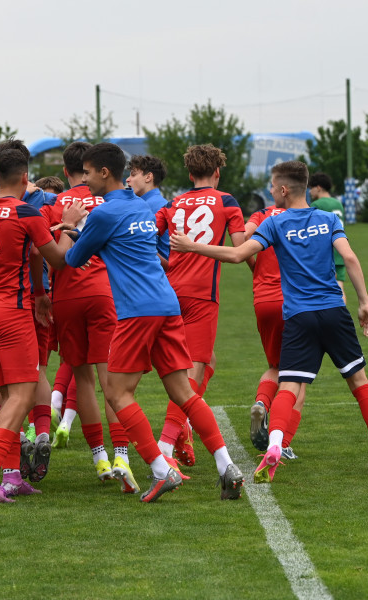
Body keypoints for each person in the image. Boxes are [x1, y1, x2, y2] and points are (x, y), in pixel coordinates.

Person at [171, 160, 368, 481]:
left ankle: (274, 445)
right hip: (333, 310)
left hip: (299, 316)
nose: (271, 191)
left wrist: (192, 245)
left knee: (287, 386)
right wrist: (364, 303)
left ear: (284, 190)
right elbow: (349, 257)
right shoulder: (329, 218)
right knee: (359, 382)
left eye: (273, 186)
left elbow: (237, 254)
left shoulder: (274, 224)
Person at [61, 142, 244, 503]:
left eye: (86, 172)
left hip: (136, 311)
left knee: (115, 392)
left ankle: (161, 469)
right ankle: (226, 466)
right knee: (183, 392)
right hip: (167, 304)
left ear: (103, 173)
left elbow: (73, 259)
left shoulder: (103, 214)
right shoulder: (141, 205)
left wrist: (69, 224)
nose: (83, 179)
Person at [0, 142, 87, 502]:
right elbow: (58, 260)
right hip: (12, 311)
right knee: (23, 394)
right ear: (26, 178)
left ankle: (10, 475)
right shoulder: (28, 212)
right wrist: (68, 226)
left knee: (8, 393)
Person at [46, 141, 136, 492]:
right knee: (112, 382)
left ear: (66, 173)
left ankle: (99, 457)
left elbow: (46, 252)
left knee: (81, 380)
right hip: (104, 292)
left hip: (66, 296)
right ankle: (122, 457)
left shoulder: (54, 203)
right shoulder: (114, 200)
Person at [154, 144, 246, 468]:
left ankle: (182, 426)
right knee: (192, 373)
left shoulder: (173, 203)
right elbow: (241, 249)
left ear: (190, 174)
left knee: (208, 364)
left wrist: (168, 263)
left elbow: (144, 240)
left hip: (170, 294)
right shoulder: (227, 201)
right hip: (201, 297)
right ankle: (165, 443)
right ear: (217, 172)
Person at [246, 205, 305, 460]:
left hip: (264, 301)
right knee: (299, 376)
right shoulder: (305, 217)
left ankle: (261, 403)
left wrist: (256, 266)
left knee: (275, 365)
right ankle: (284, 443)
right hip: (293, 300)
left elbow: (242, 237)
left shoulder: (261, 214)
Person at [308, 172, 347, 301]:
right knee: (339, 288)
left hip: (325, 253)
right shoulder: (338, 203)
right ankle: (342, 318)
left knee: (321, 290)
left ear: (318, 187)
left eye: (311, 188)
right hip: (340, 251)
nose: (309, 192)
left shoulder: (316, 205)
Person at [126, 154, 169, 266]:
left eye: (133, 175)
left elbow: (141, 249)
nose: (128, 179)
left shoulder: (147, 206)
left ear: (148, 177)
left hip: (155, 275)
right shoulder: (162, 203)